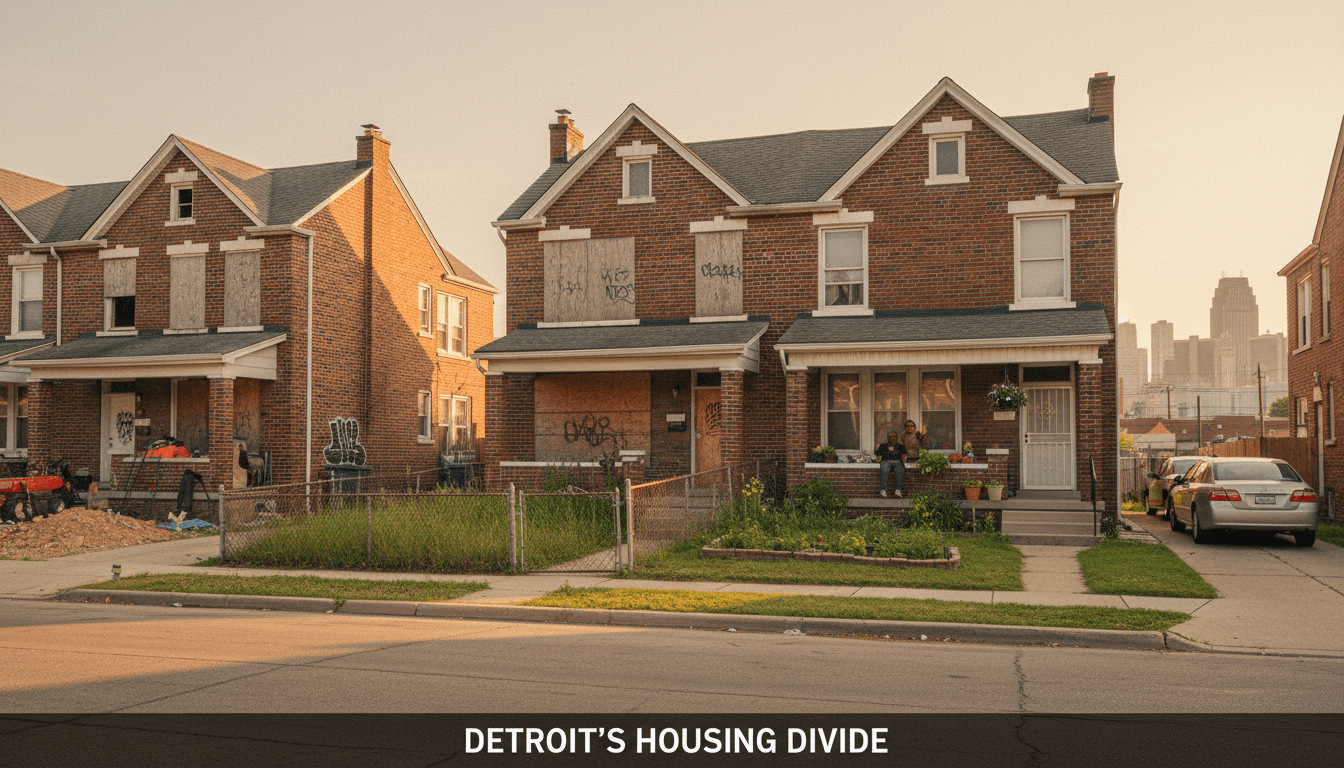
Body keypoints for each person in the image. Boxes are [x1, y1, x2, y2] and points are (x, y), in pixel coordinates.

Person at [876, 431, 907, 498]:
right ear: (887, 438)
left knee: (900, 468)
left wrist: (904, 457)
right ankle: (883, 489)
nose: (892, 438)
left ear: (896, 438)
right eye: (890, 437)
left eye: (894, 436)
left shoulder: (900, 446)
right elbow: (877, 454)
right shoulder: (883, 446)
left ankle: (898, 490)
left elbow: (905, 454)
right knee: (884, 468)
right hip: (886, 461)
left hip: (897, 462)